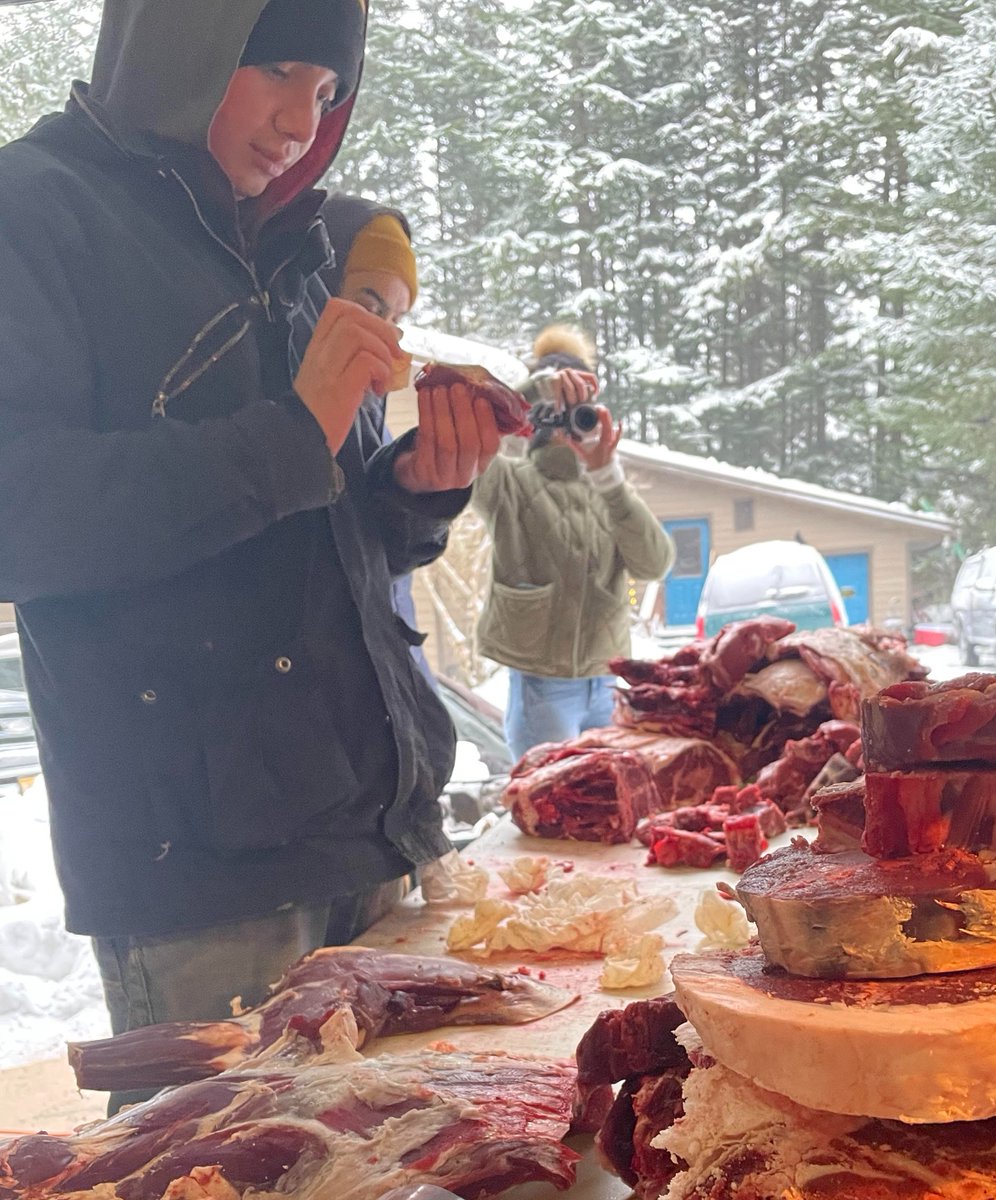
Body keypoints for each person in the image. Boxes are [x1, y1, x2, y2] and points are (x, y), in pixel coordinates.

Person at [0, 0, 499, 1108]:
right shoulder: (31, 211)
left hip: (373, 829)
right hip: (202, 876)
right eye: (275, 70)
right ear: (180, 42)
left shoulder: (297, 243)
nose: (300, 122)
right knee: (234, 1173)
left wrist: (413, 492)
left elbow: (322, 524)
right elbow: (19, 517)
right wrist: (290, 436)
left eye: (326, 91)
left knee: (399, 1169)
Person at [472, 326, 674, 758]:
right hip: (540, 682)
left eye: (580, 408)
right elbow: (472, 438)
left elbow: (655, 564)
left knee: (605, 791)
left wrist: (609, 478)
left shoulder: (609, 490)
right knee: (546, 790)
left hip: (606, 679)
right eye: (558, 409)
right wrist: (534, 391)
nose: (568, 420)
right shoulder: (509, 481)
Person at [319, 192, 435, 687]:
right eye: (368, 307)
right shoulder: (258, 416)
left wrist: (423, 494)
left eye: (395, 321)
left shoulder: (374, 422)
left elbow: (384, 566)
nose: (385, 339)